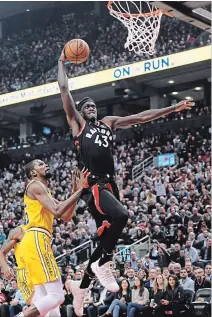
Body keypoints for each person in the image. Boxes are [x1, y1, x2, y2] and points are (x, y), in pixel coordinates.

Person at [58, 49, 194, 316]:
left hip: (110, 184)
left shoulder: (108, 123)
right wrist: (61, 62)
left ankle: (80, 288)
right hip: (92, 185)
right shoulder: (78, 126)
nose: (91, 108)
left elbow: (142, 116)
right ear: (80, 113)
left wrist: (172, 108)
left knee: (105, 237)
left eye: (93, 105)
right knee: (122, 214)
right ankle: (103, 264)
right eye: (86, 106)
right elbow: (64, 90)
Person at [13, 161, 89, 317]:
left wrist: (74, 193)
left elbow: (67, 216)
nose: (46, 164)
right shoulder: (35, 185)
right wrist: (81, 190)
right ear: (33, 173)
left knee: (50, 309)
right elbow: (57, 211)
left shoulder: (44, 193)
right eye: (40, 164)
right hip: (36, 239)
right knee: (57, 296)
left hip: (34, 243)